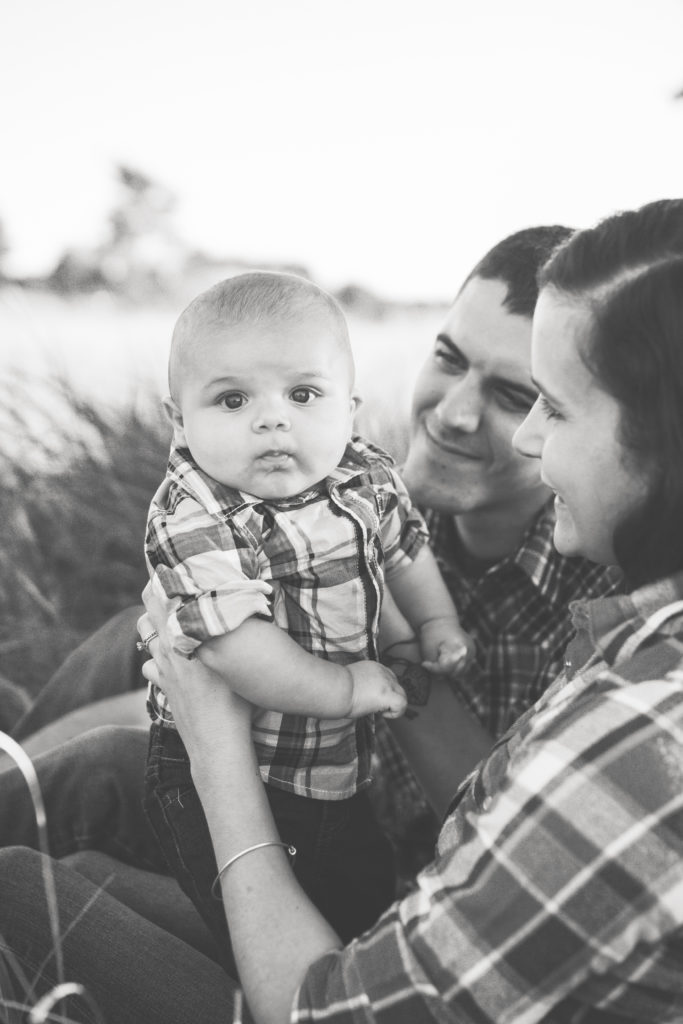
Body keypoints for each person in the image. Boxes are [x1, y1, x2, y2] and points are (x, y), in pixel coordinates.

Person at [3, 197, 683, 1023]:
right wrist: (188, 698)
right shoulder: (370, 494)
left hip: (359, 897)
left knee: (31, 881)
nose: (456, 413)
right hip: (328, 829)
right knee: (111, 713)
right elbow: (195, 666)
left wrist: (326, 680)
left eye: (532, 397)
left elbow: (464, 830)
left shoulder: (606, 633)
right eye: (446, 356)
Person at [140, 269, 470, 947]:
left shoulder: (364, 474)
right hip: (226, 764)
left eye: (302, 394)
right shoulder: (195, 510)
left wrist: (433, 624)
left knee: (359, 887)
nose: (271, 418)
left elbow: (405, 554)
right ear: (179, 422)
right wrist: (345, 686)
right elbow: (234, 648)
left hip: (332, 760)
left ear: (348, 408)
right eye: (231, 400)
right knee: (251, 915)